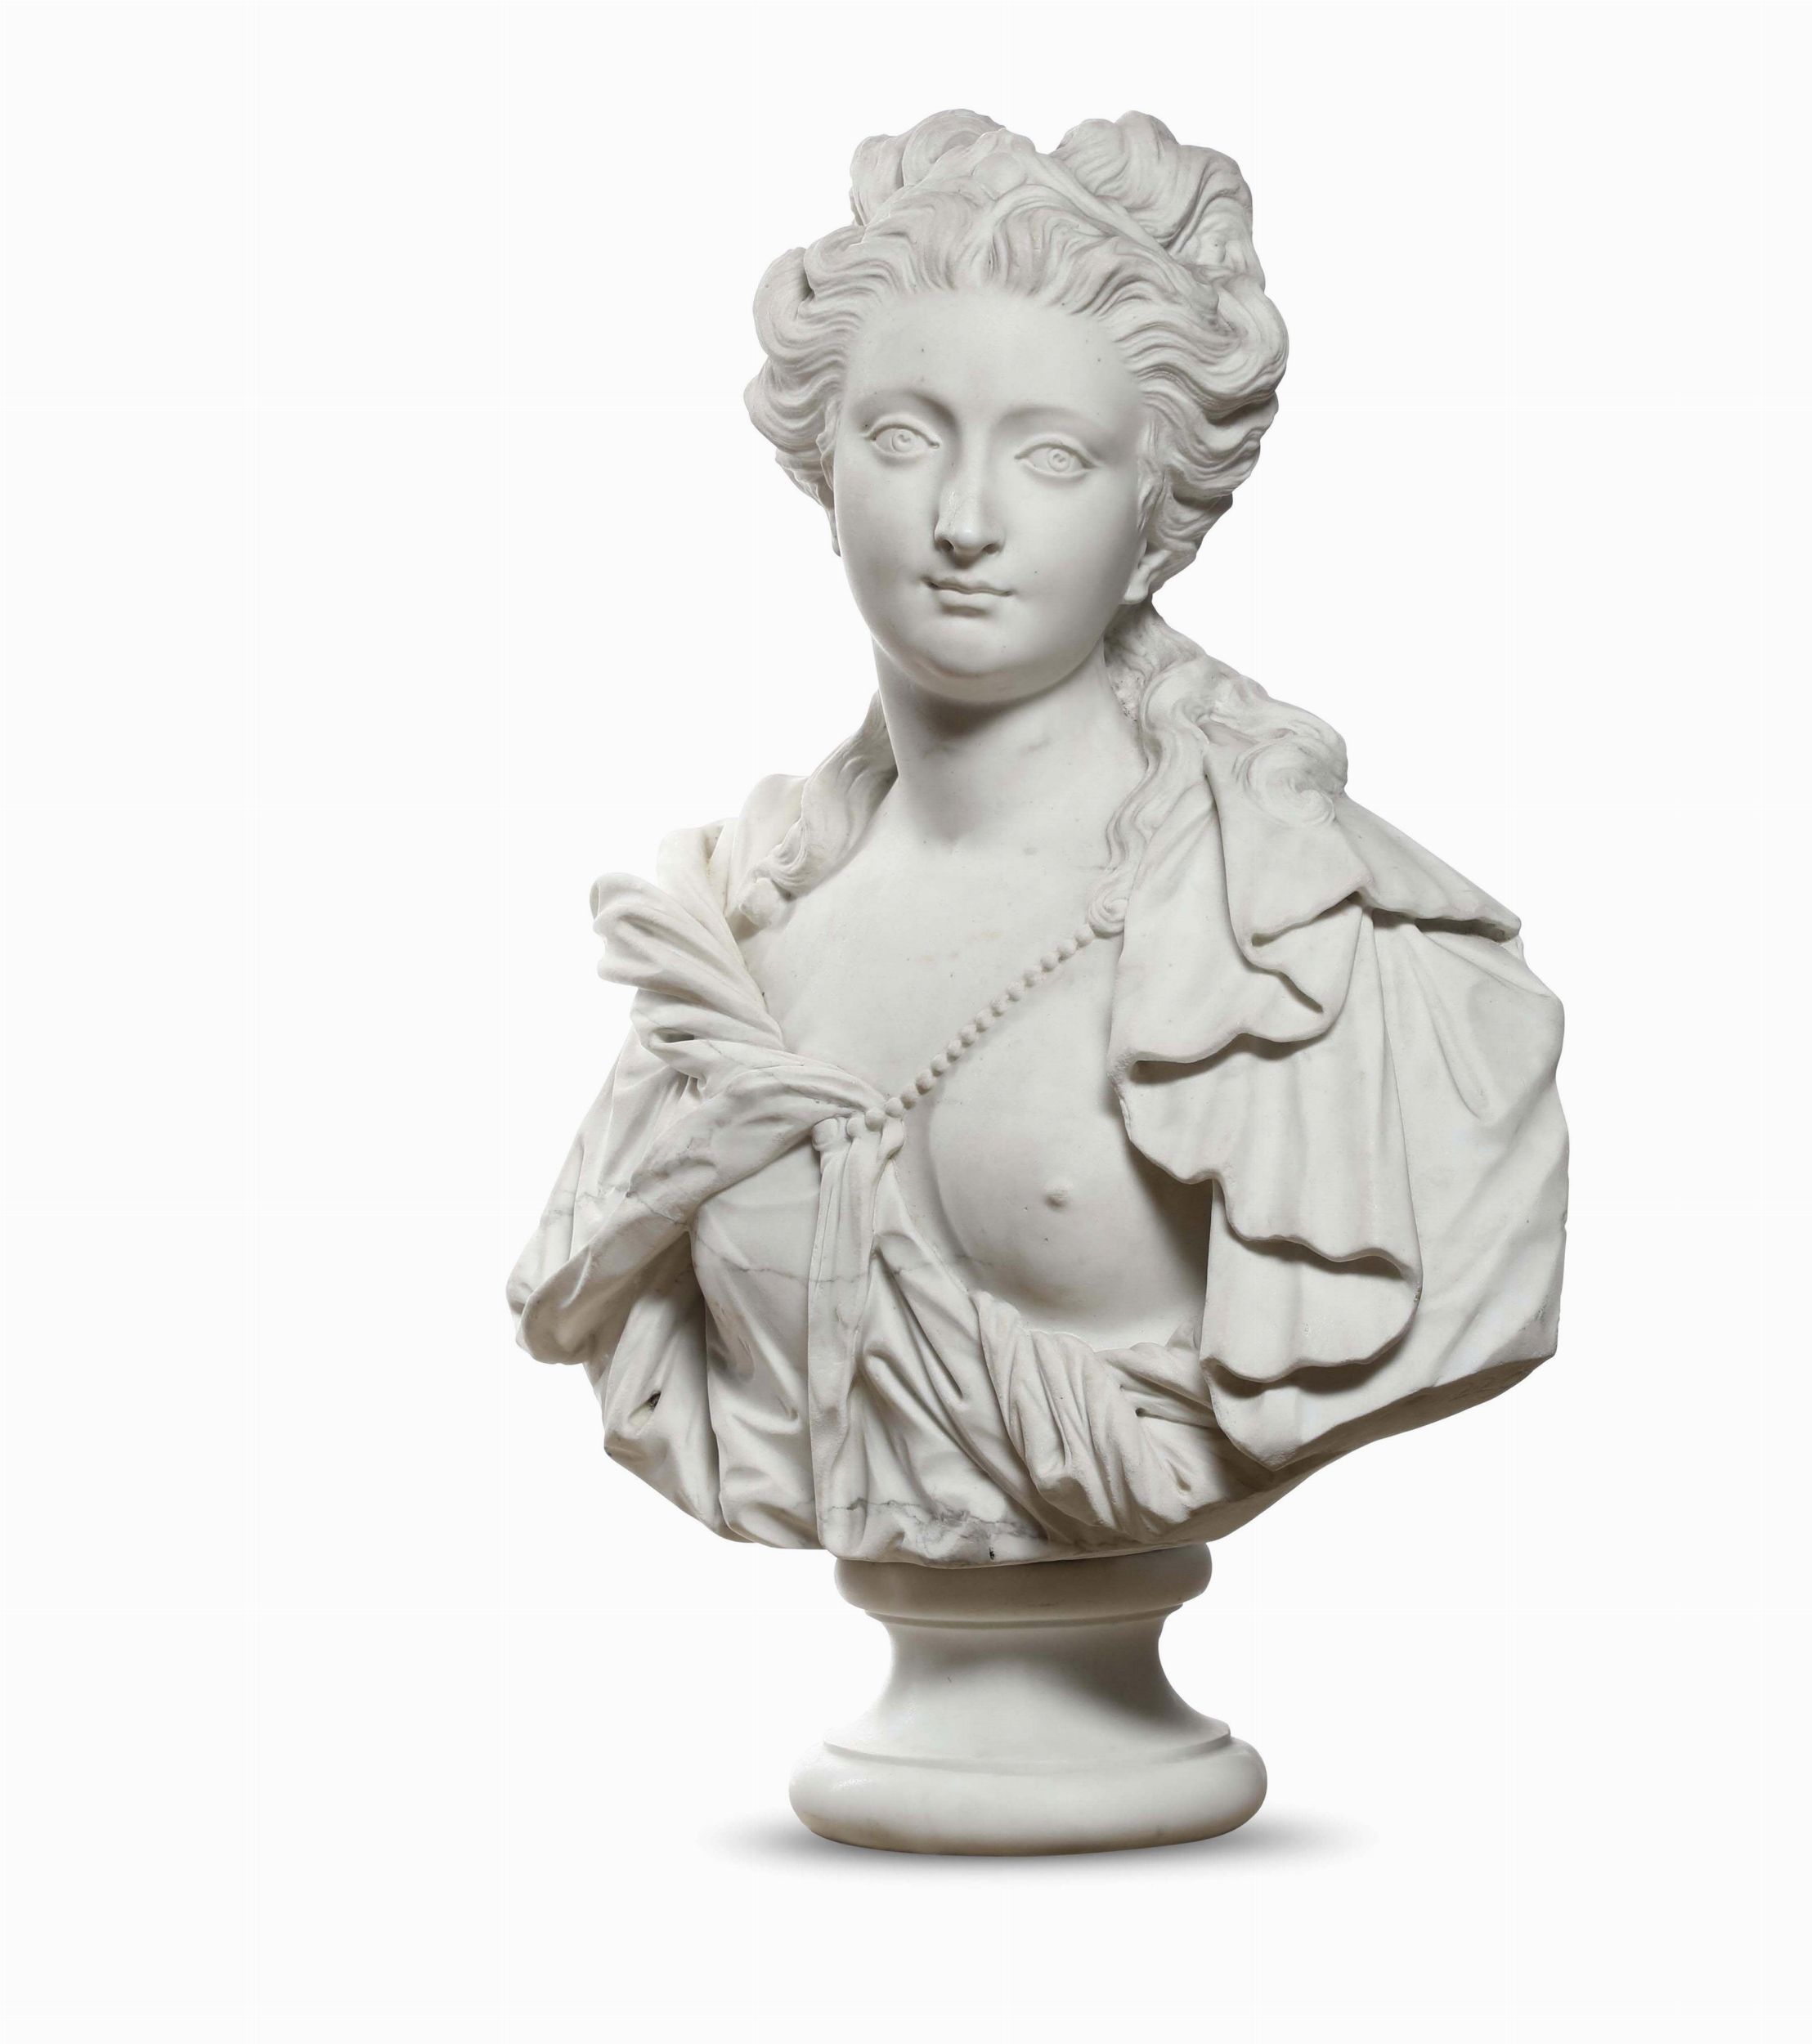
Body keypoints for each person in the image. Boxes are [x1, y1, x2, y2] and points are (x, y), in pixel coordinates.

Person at [508, 111, 1568, 1566]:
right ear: (825, 472)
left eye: (1051, 457)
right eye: (902, 438)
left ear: (1156, 511)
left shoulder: (1336, 960)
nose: (963, 519)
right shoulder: (731, 944)